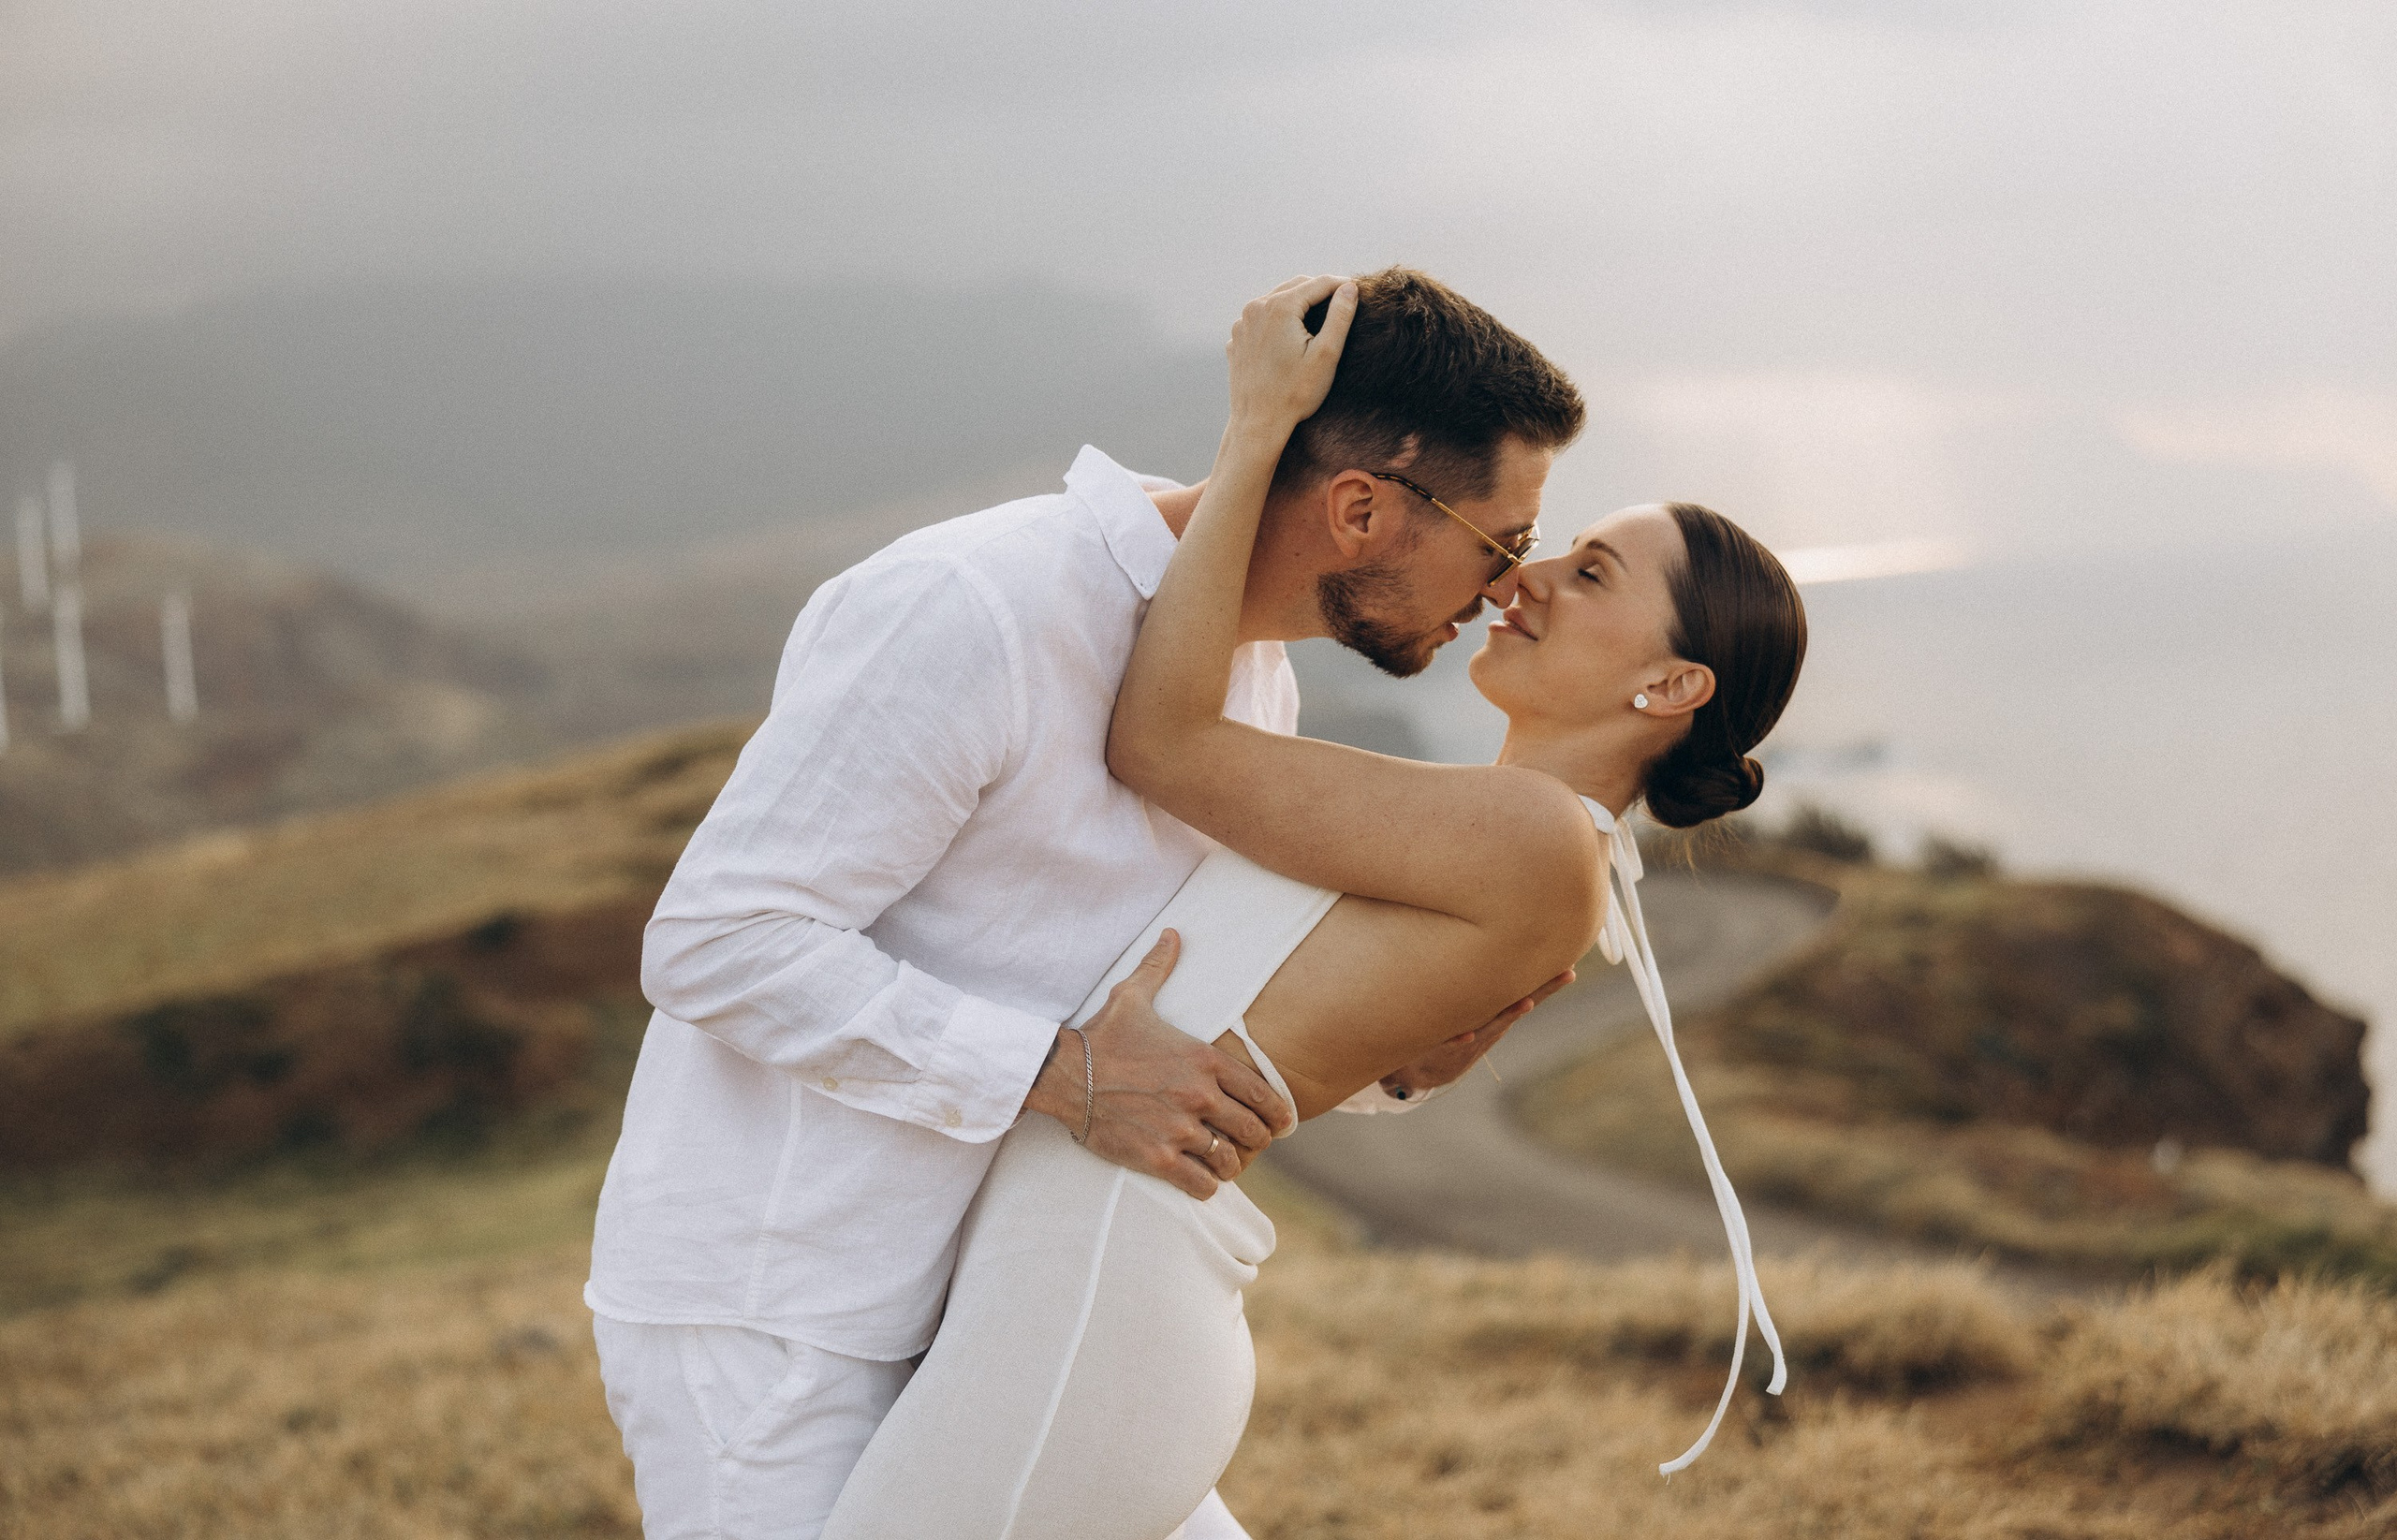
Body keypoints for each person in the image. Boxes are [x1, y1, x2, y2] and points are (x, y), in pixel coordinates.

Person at [585, 268, 1590, 1540]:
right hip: (786, 1311)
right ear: (1359, 508)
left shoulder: (1253, 687)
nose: (1508, 586)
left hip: (1008, 1305)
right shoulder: (981, 605)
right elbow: (719, 941)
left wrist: (1405, 1057)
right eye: (1501, 540)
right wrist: (1060, 1074)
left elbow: (1169, 1012)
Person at [817, 276, 1809, 1539]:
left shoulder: (1537, 837)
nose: (1527, 577)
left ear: (1673, 681)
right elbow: (1288, 1019)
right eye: (1551, 547)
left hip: (1095, 1274)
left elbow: (1163, 742)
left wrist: (1253, 438)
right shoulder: (1500, 838)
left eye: (1591, 570)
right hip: (1090, 1276)